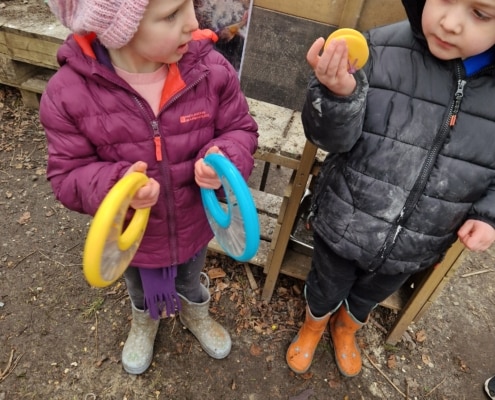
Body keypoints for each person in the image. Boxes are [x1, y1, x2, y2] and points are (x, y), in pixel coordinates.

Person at [40, 0, 258, 375]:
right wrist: (115, 186)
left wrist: (222, 158)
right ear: (118, 30)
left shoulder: (209, 69)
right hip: (132, 234)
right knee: (139, 285)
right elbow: (67, 174)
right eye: (172, 14)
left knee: (190, 276)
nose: (194, 22)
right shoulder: (69, 94)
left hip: (193, 222)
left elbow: (240, 128)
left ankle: (194, 312)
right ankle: (145, 319)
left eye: (190, 5)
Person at [286, 0, 495, 378]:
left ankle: (346, 327)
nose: (449, 23)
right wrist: (337, 96)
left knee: (369, 295)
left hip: (421, 240)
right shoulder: (378, 51)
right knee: (326, 284)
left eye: (481, 13)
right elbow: (328, 139)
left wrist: (488, 215)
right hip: (344, 221)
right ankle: (314, 323)